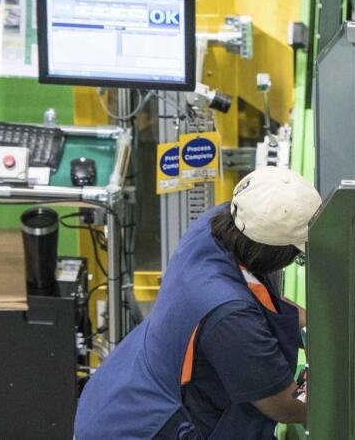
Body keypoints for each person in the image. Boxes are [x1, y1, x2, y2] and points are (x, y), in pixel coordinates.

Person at [75, 166, 322, 439]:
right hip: (144, 427)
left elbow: (257, 294)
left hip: (119, 392)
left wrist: (312, 322)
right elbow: (285, 405)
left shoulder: (216, 227)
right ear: (275, 255)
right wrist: (325, 390)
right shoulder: (230, 317)